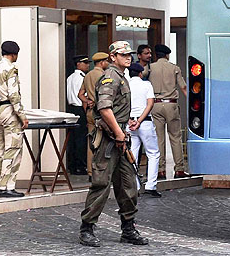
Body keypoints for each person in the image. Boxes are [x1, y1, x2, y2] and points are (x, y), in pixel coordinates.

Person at [79, 41, 148, 247]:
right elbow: (105, 108)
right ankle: (87, 228)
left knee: (128, 185)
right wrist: (119, 133)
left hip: (120, 138)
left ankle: (128, 228)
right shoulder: (110, 77)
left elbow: (117, 109)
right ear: (112, 57)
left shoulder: (122, 77)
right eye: (123, 54)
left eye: (129, 54)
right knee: (101, 184)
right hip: (109, 141)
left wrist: (127, 125)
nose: (128, 57)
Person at [0, 41, 29, 198]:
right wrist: (21, 115)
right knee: (13, 149)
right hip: (9, 110)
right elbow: (14, 94)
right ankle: (7, 186)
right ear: (14, 54)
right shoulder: (11, 69)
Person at [148, 44, 188, 180]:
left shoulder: (150, 68)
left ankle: (160, 170)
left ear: (156, 55)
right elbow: (183, 87)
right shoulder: (174, 68)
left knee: (158, 138)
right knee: (175, 137)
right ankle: (179, 169)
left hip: (155, 105)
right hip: (171, 105)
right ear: (167, 55)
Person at [126, 62, 161, 197]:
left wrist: (130, 120)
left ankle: (134, 185)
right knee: (153, 153)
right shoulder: (146, 85)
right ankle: (151, 186)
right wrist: (139, 120)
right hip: (144, 122)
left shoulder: (126, 85)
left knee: (132, 154)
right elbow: (150, 103)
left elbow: (123, 104)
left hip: (129, 123)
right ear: (140, 73)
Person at [77, 51, 109, 180]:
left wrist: (88, 101)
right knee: (104, 142)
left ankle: (90, 172)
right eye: (107, 61)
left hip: (90, 112)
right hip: (102, 113)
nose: (108, 63)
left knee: (91, 141)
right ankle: (101, 171)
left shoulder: (88, 75)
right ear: (102, 62)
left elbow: (80, 94)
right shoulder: (104, 75)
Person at [66, 55, 89, 175]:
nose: (87, 65)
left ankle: (72, 165)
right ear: (78, 64)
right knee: (81, 139)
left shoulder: (70, 77)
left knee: (73, 139)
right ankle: (80, 165)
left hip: (71, 109)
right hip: (80, 109)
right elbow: (83, 97)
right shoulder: (81, 78)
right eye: (85, 63)